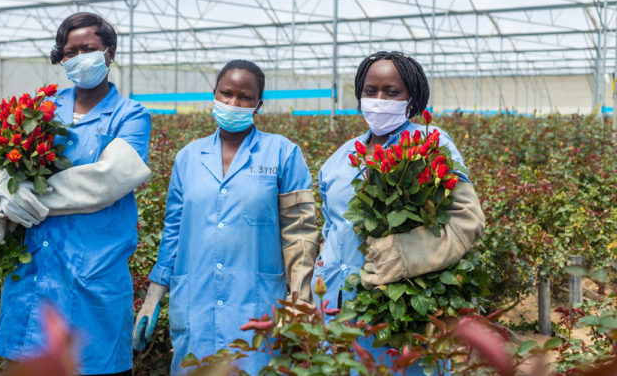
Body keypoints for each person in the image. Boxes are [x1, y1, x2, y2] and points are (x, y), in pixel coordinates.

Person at [0, 12, 152, 376]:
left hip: (94, 274)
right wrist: (2, 188)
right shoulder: (41, 110)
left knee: (92, 365)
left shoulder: (130, 115)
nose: (78, 57)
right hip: (35, 271)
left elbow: (106, 181)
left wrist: (27, 195)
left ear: (110, 51)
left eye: (88, 48)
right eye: (70, 51)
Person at [132, 60, 320, 374]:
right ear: (215, 94)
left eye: (245, 97)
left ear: (259, 104)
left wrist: (299, 301)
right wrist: (152, 300)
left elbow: (300, 234)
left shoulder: (283, 154)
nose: (233, 103)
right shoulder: (188, 157)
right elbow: (174, 232)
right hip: (196, 303)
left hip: (256, 307)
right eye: (226, 93)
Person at [313, 51, 485, 374]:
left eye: (392, 92)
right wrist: (321, 272)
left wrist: (405, 253)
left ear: (412, 98)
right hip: (336, 310)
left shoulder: (430, 143)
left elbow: (467, 219)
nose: (379, 100)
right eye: (370, 91)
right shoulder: (342, 158)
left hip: (399, 312)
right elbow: (330, 227)